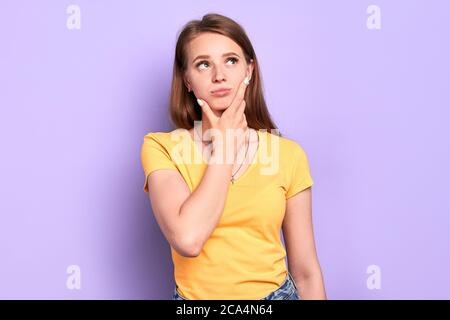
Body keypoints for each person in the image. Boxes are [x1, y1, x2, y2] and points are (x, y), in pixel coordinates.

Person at [141, 13, 326, 300]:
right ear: (187, 80)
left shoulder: (288, 154)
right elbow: (188, 240)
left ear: (249, 70)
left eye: (231, 60)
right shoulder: (162, 147)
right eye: (203, 64)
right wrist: (226, 146)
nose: (219, 75)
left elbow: (306, 272)